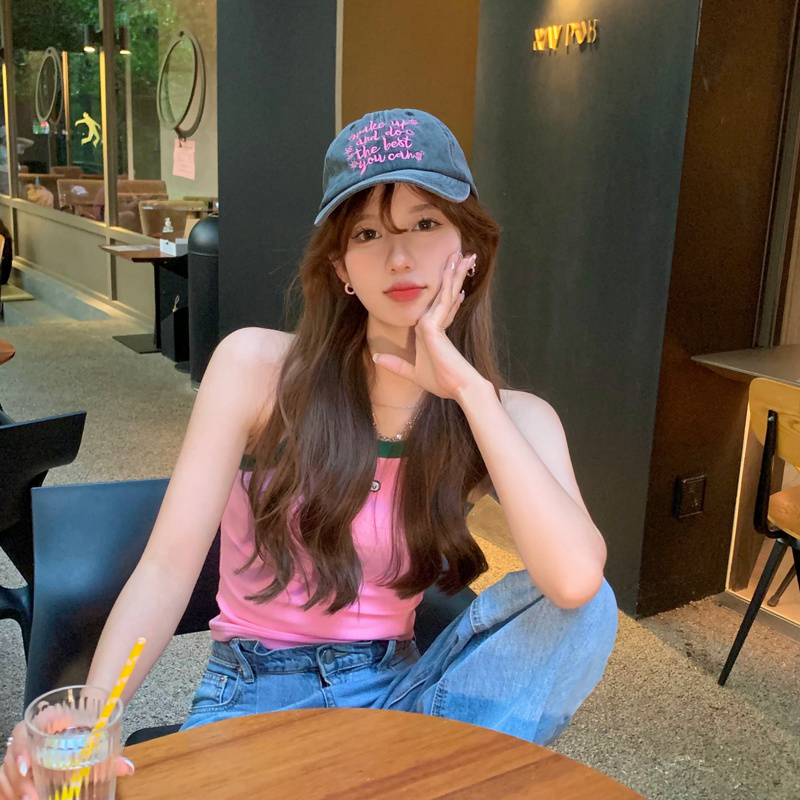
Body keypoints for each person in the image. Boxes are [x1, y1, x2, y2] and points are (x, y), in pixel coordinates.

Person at [0, 109, 617, 799]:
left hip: (402, 702)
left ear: (467, 247)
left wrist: (468, 391)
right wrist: (93, 715)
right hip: (252, 695)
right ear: (341, 266)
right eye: (368, 233)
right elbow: (168, 568)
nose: (400, 257)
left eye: (425, 223)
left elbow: (574, 584)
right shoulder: (258, 370)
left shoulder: (512, 416)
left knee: (590, 607)